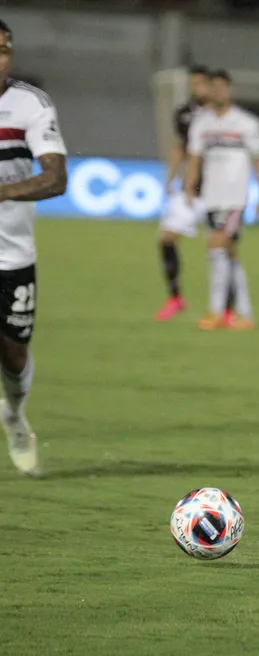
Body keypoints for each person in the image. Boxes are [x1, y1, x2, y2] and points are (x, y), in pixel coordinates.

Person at [0, 20, 68, 476]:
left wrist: (2, 193)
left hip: (12, 255)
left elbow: (56, 178)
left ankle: (14, 415)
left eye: (5, 49)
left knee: (13, 353)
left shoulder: (29, 105)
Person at [184, 70, 259, 330]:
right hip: (211, 196)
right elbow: (195, 158)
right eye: (214, 87)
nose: (218, 92)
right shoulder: (201, 123)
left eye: (223, 87)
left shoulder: (247, 123)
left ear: (229, 90)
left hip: (235, 197)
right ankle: (244, 313)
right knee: (228, 253)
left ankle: (216, 312)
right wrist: (188, 187)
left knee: (216, 245)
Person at [155, 65, 216, 323]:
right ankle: (176, 297)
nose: (197, 88)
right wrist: (171, 178)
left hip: (218, 190)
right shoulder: (185, 114)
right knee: (167, 239)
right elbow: (181, 147)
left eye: (201, 83)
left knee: (222, 250)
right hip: (191, 190)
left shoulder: (223, 115)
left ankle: (225, 309)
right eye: (194, 84)